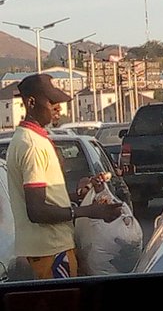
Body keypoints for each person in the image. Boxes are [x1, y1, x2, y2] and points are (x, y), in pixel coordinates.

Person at [6, 74, 123, 279]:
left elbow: (45, 197)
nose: (58, 108)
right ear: (31, 103)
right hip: (50, 252)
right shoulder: (32, 145)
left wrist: (80, 194)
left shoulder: (29, 139)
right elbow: (37, 211)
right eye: (52, 102)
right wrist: (90, 211)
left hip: (48, 249)